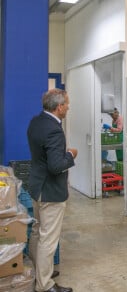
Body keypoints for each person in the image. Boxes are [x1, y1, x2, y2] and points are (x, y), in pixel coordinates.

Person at [27, 88, 78, 292]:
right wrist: (71, 154)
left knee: (38, 233)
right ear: (59, 107)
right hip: (51, 192)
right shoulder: (55, 130)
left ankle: (40, 272)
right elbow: (56, 166)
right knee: (48, 239)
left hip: (36, 186)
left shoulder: (36, 122)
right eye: (66, 104)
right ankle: (45, 285)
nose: (68, 107)